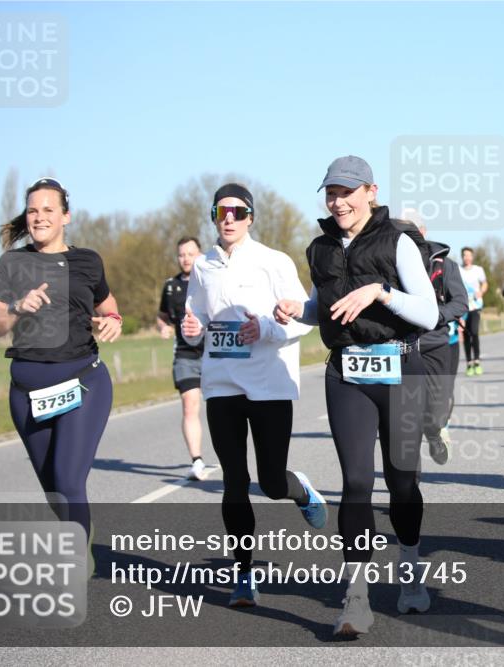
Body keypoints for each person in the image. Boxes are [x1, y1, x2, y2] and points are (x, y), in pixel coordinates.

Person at [274, 156, 438, 637]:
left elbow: (427, 314)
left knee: (403, 482)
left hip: (400, 369)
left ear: (371, 191)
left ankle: (409, 568)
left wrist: (380, 292)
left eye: (347, 192)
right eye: (331, 193)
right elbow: (323, 306)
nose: (338, 201)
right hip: (346, 371)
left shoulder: (399, 241)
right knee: (357, 483)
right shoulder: (320, 249)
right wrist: (297, 312)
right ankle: (357, 598)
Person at [181, 183, 325, 609]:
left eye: (238, 212)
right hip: (222, 383)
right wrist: (192, 330)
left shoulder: (273, 262)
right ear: (213, 216)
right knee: (235, 482)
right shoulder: (202, 266)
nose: (229, 218)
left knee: (272, 482)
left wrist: (265, 328)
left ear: (250, 218)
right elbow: (198, 317)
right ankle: (243, 575)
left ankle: (302, 491)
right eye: (221, 211)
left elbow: (305, 319)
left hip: (268, 384)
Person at [0, 177, 122, 554]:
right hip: (27, 394)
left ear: (66, 216)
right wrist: (17, 307)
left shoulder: (87, 261)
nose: (39, 217)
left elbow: (108, 306)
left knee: (68, 480)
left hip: (82, 382)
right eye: (32, 210)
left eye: (48, 209)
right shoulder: (12, 263)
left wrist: (114, 320)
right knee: (53, 489)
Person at [156, 237, 207, 481]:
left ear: (200, 254)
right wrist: (163, 327)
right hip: (185, 355)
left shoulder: (210, 280)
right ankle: (196, 460)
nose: (185, 259)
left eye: (190, 253)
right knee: (190, 405)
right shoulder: (170, 286)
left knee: (224, 409)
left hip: (214, 354)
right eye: (181, 255)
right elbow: (162, 315)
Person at [417, 223, 468, 464]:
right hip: (401, 346)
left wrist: (435, 316)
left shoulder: (446, 266)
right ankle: (407, 490)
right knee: (404, 416)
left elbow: (460, 303)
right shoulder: (387, 262)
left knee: (436, 407)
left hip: (436, 343)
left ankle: (435, 432)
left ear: (423, 231)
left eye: (412, 231)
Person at [459, 247, 488, 376]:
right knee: (466, 334)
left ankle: (477, 361)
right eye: (465, 255)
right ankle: (469, 363)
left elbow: (485, 283)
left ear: (472, 257)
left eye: (469, 255)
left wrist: (480, 292)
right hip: (463, 306)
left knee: (474, 332)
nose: (467, 258)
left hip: (475, 305)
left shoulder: (478, 270)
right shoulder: (458, 270)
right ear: (462, 257)